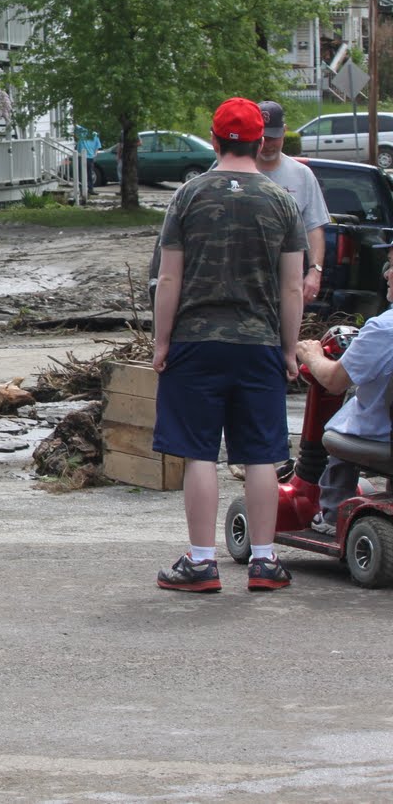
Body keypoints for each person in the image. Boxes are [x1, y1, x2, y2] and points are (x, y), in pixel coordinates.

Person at [152, 97, 304, 593]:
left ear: (215, 140)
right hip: (258, 343)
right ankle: (264, 561)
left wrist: (161, 342)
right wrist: (287, 348)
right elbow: (292, 288)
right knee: (261, 454)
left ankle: (201, 562)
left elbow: (168, 279)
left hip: (195, 343)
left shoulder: (187, 197)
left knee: (200, 453)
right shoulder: (282, 201)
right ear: (261, 143)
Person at [296, 247, 393, 535]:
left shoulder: (382, 329)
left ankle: (331, 515)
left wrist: (311, 355)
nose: (386, 274)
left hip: (383, 436)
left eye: (391, 266)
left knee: (340, 428)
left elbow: (334, 381)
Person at [255, 101, 329, 307]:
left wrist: (315, 272)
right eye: (262, 137)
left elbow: (314, 226)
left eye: (274, 137)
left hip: (287, 281)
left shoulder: (301, 174)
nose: (268, 144)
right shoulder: (236, 170)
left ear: (285, 132)